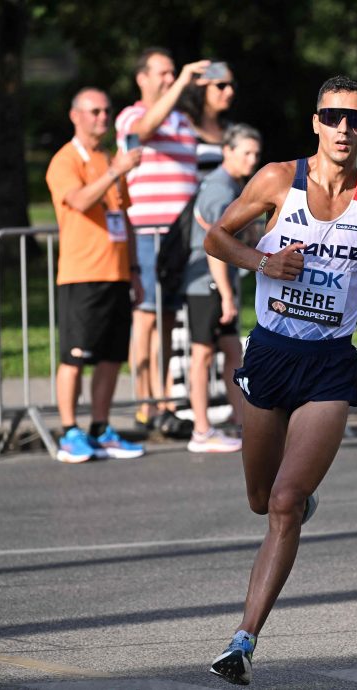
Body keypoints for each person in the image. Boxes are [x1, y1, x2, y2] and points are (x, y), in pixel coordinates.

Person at [202, 76, 357, 685]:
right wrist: (262, 260)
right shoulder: (278, 180)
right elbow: (216, 236)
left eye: (355, 120)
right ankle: (298, 498)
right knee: (260, 498)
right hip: (270, 354)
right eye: (334, 117)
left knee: (280, 504)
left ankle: (243, 640)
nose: (344, 129)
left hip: (329, 363)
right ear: (316, 122)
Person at [47, 87, 145, 463]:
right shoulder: (65, 160)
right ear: (75, 116)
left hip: (116, 272)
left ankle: (100, 427)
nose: (102, 118)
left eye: (106, 112)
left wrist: (134, 270)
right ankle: (69, 431)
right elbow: (81, 200)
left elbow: (126, 219)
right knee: (74, 357)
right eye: (94, 112)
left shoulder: (108, 158)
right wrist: (117, 171)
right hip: (80, 274)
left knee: (110, 358)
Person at [115, 47, 205, 437]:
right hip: (148, 229)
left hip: (180, 233)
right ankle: (144, 403)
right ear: (142, 78)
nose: (170, 79)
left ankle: (165, 399)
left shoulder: (184, 121)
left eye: (173, 74)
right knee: (146, 317)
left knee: (168, 317)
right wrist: (184, 80)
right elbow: (147, 129)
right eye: (163, 73)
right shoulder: (132, 115)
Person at [183, 124, 262, 454]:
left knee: (232, 351)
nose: (252, 159)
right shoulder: (219, 188)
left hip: (218, 283)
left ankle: (241, 419)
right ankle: (201, 430)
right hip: (206, 284)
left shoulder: (232, 184)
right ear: (227, 152)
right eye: (246, 152)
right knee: (202, 355)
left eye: (256, 153)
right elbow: (214, 244)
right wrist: (226, 294)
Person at [179, 60, 237, 176]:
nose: (230, 92)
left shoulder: (232, 130)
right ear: (201, 86)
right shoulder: (181, 125)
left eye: (232, 85)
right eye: (221, 85)